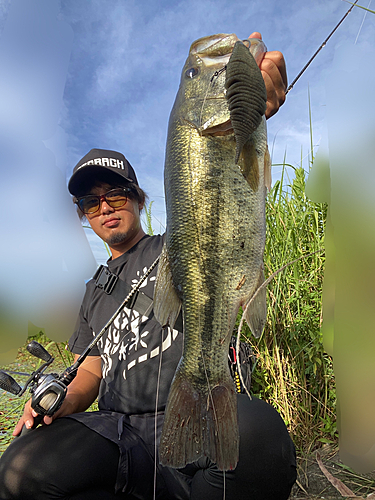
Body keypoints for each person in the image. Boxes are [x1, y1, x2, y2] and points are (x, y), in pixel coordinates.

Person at [0, 35, 296, 500]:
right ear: (82, 214)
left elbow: (221, 200)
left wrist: (249, 104)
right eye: (90, 202)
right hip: (117, 432)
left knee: (261, 438)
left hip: (191, 412)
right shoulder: (93, 291)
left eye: (116, 194)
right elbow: (91, 372)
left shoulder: (175, 246)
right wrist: (57, 404)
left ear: (138, 199)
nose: (105, 207)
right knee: (19, 468)